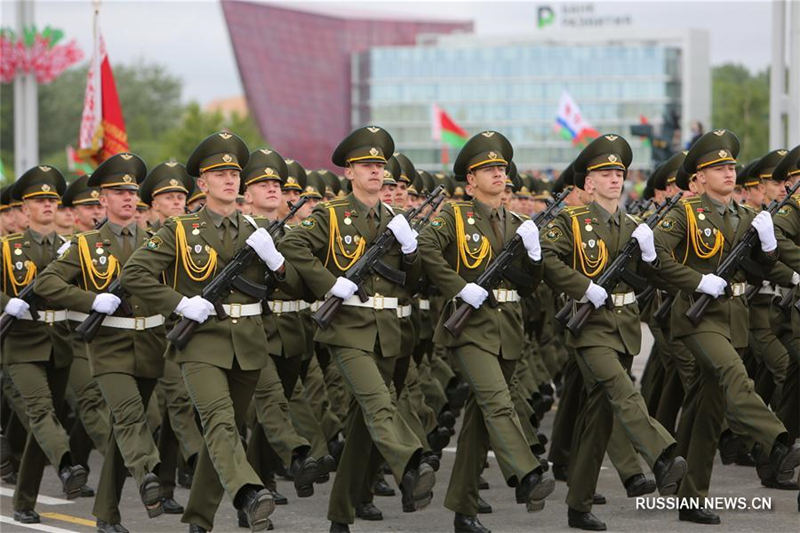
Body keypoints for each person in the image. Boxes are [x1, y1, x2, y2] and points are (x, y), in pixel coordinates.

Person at [120, 131, 283, 532]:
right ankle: (248, 493)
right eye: (220, 173)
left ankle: (198, 520)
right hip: (201, 342)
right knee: (220, 422)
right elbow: (135, 273)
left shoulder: (259, 228)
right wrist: (179, 303)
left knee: (223, 433)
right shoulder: (180, 229)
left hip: (247, 343)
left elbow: (295, 284)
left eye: (234, 173)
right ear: (202, 183)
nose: (229, 179)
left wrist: (277, 262)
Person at [279, 125, 434, 533]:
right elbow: (291, 246)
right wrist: (330, 283)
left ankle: (340, 515)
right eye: (366, 165)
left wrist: (411, 249)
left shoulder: (396, 219)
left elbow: (414, 279)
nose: (376, 171)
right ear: (349, 172)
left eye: (380, 166)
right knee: (380, 403)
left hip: (388, 331)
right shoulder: (331, 215)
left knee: (364, 428)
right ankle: (411, 463)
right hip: (347, 329)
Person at [653, 130, 800, 524]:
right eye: (719, 167)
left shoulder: (746, 216)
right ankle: (777, 442)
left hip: (734, 318)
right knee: (735, 375)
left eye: (731, 166)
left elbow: (762, 266)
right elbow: (657, 258)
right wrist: (696, 281)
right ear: (699, 178)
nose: (729, 172)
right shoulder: (684, 213)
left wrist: (771, 249)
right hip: (697, 317)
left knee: (707, 409)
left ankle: (689, 497)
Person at [542, 134, 686, 530]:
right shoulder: (570, 221)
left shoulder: (634, 227)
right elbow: (547, 261)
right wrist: (582, 286)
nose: (614, 179)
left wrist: (652, 255)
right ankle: (661, 454)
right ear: (588, 183)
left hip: (624, 328)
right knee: (624, 391)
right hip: (589, 328)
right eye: (605, 173)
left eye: (619, 173)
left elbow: (656, 276)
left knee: (599, 417)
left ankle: (578, 505)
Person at [419, 130, 556, 533]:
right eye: (488, 169)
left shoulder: (518, 223)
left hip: (507, 327)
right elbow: (426, 248)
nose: (499, 174)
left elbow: (530, 283)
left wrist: (534, 255)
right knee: (498, 401)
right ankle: (527, 472)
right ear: (470, 180)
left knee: (479, 423)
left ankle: (464, 511)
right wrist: (459, 287)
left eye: (501, 168)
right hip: (470, 327)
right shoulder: (454, 216)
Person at [35, 153, 169, 532]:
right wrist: (91, 300)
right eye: (118, 192)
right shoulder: (85, 244)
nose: (128, 197)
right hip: (109, 347)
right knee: (129, 416)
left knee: (128, 429)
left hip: (150, 343)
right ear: (103, 199)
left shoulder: (155, 241)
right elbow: (46, 283)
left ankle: (106, 516)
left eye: (132, 191)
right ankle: (149, 474)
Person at [1, 165, 85, 525]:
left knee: (42, 425)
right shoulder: (7, 248)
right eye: (39, 200)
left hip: (60, 342)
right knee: (40, 412)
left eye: (52, 200)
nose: (48, 205)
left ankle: (23, 502)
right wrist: (7, 303)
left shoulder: (72, 249)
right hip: (22, 343)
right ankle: (66, 466)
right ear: (24, 209)